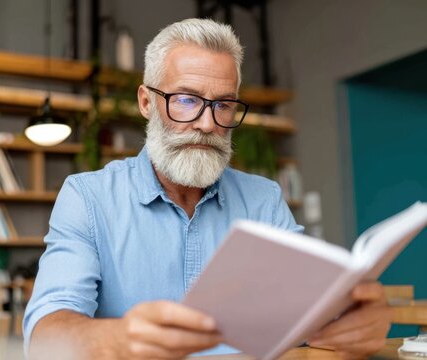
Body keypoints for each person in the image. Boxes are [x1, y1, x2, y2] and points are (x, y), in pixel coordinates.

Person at [24, 18, 392, 359]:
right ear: (146, 103)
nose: (206, 123)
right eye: (186, 99)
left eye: (223, 104)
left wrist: (352, 321)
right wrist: (121, 338)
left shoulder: (263, 200)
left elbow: (309, 313)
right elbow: (45, 336)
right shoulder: (88, 198)